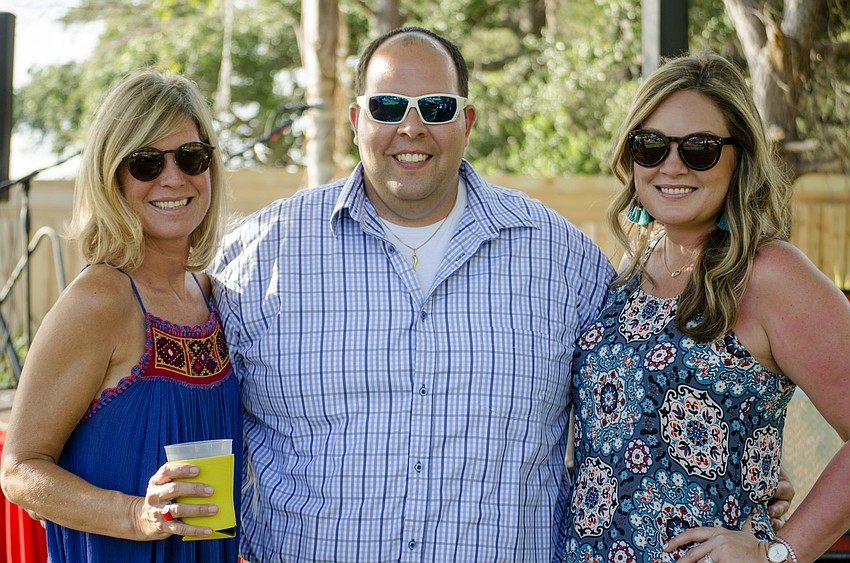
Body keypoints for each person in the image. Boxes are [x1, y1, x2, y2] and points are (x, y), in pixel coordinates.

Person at [210, 26, 614, 562]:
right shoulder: (257, 259)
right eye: (388, 105)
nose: (411, 126)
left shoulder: (564, 260)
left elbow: (639, 409)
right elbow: (184, 411)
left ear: (467, 122)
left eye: (437, 107)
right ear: (357, 121)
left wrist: (756, 499)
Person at [559, 52, 850, 563]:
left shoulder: (770, 274)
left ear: (740, 159)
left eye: (699, 149)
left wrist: (778, 554)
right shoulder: (634, 262)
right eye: (650, 146)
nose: (672, 165)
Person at [0, 69, 242, 562]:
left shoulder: (212, 293)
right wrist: (137, 515)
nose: (173, 178)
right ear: (112, 176)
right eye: (146, 162)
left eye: (191, 157)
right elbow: (20, 468)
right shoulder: (100, 300)